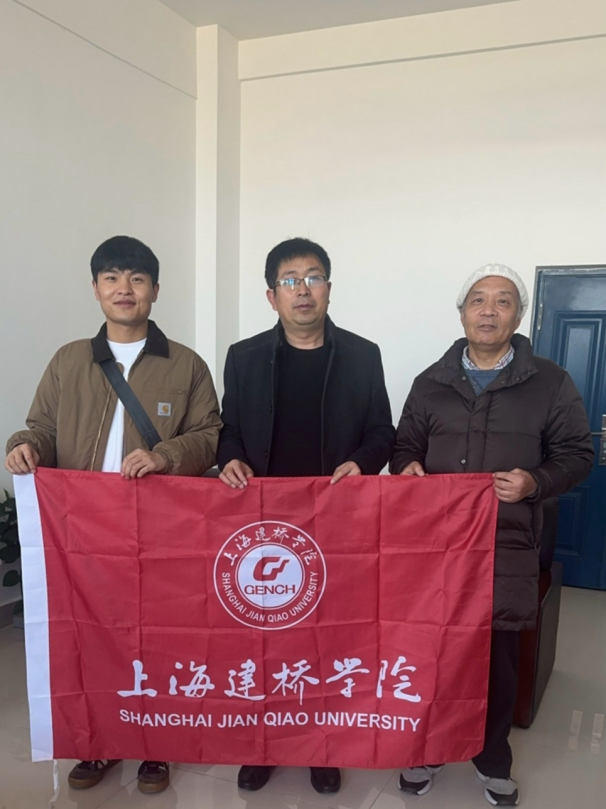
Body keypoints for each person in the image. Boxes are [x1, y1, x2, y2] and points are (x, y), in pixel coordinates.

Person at [6, 235, 222, 794]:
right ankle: (97, 741)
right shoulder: (69, 360)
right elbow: (42, 427)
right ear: (96, 288)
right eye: (112, 278)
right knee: (91, 640)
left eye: (137, 279)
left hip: (159, 531)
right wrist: (25, 444)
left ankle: (157, 746)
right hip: (81, 531)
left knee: (159, 639)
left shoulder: (187, 365)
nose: (124, 289)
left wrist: (165, 455)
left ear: (155, 290)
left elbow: (209, 435)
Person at [389, 264, 593, 806]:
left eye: (503, 301)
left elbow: (578, 455)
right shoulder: (430, 382)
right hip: (437, 545)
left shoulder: (550, 381)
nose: (489, 311)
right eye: (478, 300)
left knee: (498, 659)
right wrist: (407, 467)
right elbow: (404, 445)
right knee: (433, 651)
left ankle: (492, 758)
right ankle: (429, 748)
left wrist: (534, 482)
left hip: (507, 543)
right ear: (462, 313)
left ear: (517, 316)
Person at [217, 237, 395, 794]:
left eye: (313, 277)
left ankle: (323, 746)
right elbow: (228, 429)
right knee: (262, 641)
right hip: (263, 528)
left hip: (336, 524)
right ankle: (264, 745)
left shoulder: (363, 355)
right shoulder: (244, 357)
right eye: (290, 280)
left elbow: (382, 432)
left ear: (329, 289)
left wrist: (361, 463)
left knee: (329, 639)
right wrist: (230, 459)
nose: (302, 289)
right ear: (272, 295)